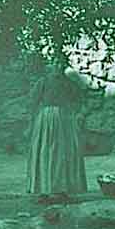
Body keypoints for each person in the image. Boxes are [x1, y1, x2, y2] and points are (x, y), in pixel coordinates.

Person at [27, 66, 87, 201]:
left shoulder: (68, 83)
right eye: (54, 64)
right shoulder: (43, 82)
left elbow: (78, 98)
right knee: (45, 152)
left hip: (64, 119)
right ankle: (44, 189)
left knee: (62, 153)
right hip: (47, 119)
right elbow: (33, 100)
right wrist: (33, 119)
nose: (56, 69)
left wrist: (74, 112)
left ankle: (62, 189)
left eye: (60, 65)